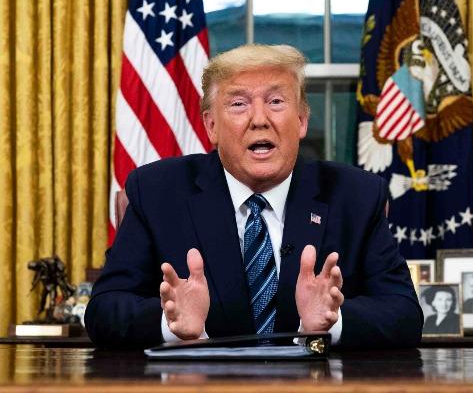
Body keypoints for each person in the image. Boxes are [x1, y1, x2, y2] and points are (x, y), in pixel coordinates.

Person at [85, 44, 424, 349]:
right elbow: (103, 310)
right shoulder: (157, 193)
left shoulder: (355, 196)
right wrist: (170, 322)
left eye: (276, 102)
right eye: (238, 104)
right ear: (211, 126)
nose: (259, 120)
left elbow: (404, 313)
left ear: (302, 120)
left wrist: (331, 321)